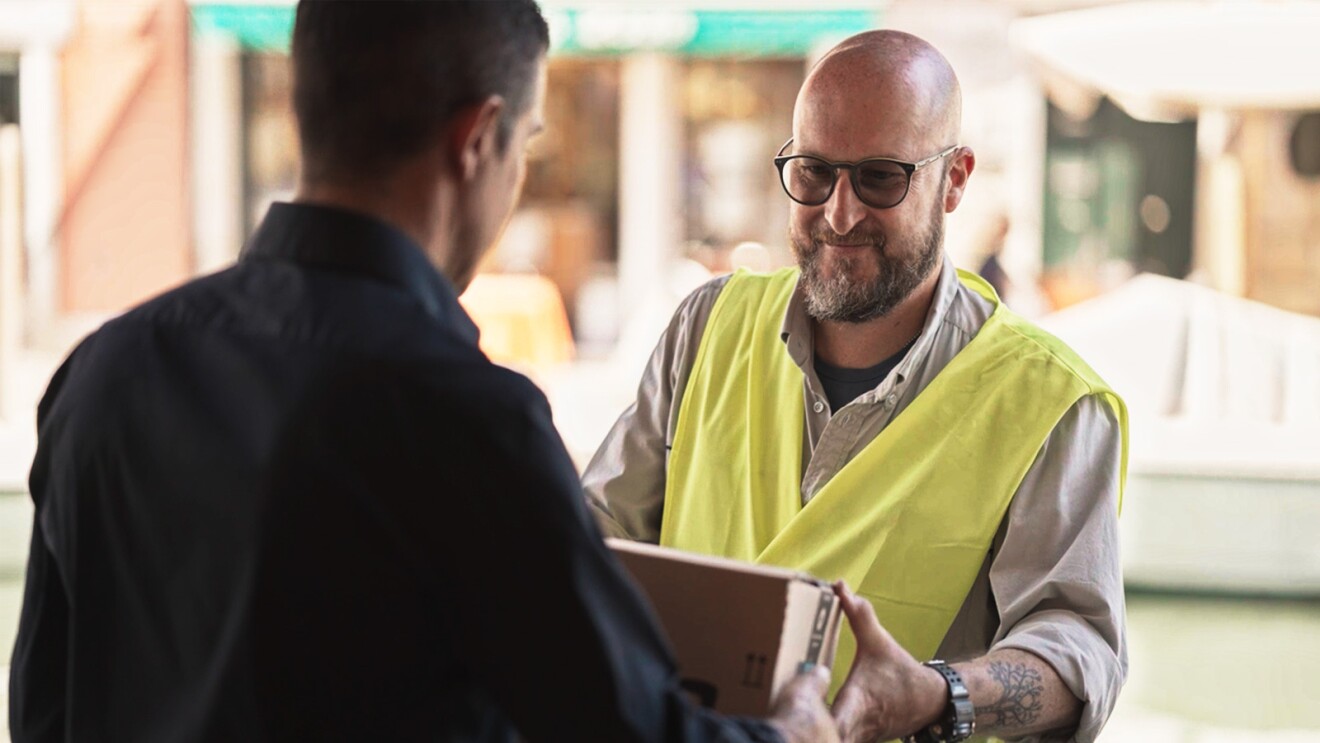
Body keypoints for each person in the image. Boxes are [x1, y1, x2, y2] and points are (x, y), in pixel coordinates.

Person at [8, 3, 839, 741]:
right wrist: (802, 727)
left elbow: (44, 709)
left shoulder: (108, 370)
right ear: (478, 140)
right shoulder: (465, 419)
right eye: (527, 146)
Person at [584, 30, 1128, 743]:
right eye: (813, 173)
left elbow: (1079, 648)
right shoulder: (706, 327)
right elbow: (595, 540)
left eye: (880, 178)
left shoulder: (1052, 405)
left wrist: (938, 694)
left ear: (956, 179)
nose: (840, 214)